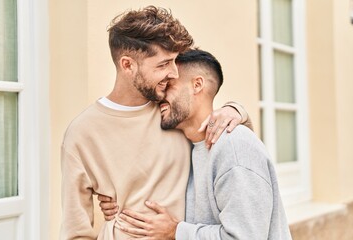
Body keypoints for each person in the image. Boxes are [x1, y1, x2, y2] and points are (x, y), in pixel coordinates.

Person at [60, 6, 251, 240]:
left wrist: (236, 111)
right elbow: (75, 230)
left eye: (173, 61)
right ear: (128, 65)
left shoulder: (172, 111)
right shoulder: (82, 133)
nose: (173, 73)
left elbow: (232, 149)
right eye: (162, 65)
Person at [101, 49, 292, 239]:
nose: (160, 95)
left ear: (197, 85)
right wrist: (118, 196)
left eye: (169, 85)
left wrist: (175, 231)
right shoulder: (185, 145)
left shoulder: (234, 146)